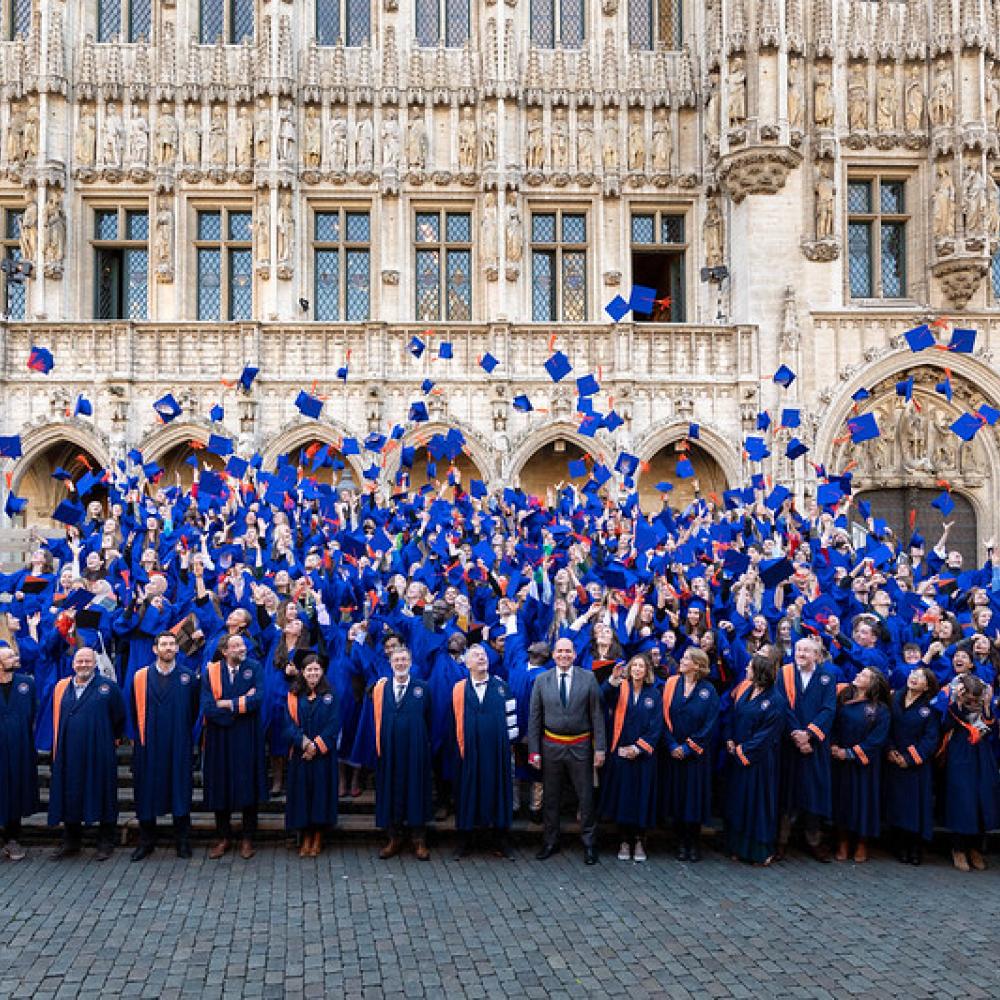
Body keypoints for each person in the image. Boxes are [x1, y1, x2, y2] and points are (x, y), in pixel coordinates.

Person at [528, 636, 607, 865]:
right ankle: (550, 841)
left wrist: (599, 748)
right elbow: (535, 718)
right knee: (551, 797)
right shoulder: (542, 680)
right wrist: (534, 751)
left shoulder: (588, 678)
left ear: (574, 654)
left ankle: (590, 844)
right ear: (553, 655)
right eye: (559, 651)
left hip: (580, 746)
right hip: (551, 745)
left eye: (568, 651)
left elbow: (597, 716)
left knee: (585, 797)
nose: (563, 655)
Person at [48, 647, 126, 860]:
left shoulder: (108, 687)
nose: (83, 664)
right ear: (73, 664)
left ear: (95, 663)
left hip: (99, 751)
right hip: (68, 752)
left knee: (102, 793)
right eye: (79, 661)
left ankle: (105, 842)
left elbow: (119, 717)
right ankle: (71, 841)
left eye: (87, 661)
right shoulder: (61, 687)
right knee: (70, 794)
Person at [129, 631, 200, 861]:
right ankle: (146, 840)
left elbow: (194, 711)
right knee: (146, 792)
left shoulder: (188, 678)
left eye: (172, 644)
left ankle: (183, 840)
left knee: (180, 790)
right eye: (164, 644)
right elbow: (133, 709)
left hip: (178, 743)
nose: (169, 647)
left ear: (177, 649)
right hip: (148, 745)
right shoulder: (140, 677)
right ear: (155, 649)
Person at [201, 634, 268, 860]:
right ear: (225, 651)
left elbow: (258, 699)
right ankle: (224, 837)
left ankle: (248, 838)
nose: (241, 649)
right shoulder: (211, 671)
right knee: (221, 786)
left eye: (242, 645)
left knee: (247, 785)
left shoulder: (255, 667)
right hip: (219, 736)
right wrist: (240, 705)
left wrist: (229, 703)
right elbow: (208, 707)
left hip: (247, 736)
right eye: (236, 646)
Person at [451, 643, 517, 859]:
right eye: (476, 656)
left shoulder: (502, 687)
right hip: (468, 751)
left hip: (496, 752)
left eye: (484, 655)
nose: (482, 658)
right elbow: (453, 721)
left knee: (497, 791)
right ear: (467, 663)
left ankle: (501, 838)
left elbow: (512, 721)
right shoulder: (459, 689)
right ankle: (465, 839)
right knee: (468, 792)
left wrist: (508, 748)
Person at [776, 637, 837, 862]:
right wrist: (796, 735)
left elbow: (828, 709)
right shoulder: (784, 674)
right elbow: (782, 706)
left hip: (815, 746)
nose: (801, 653)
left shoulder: (827, 677)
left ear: (816, 655)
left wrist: (809, 734)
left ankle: (814, 840)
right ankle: (781, 840)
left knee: (813, 792)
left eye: (806, 651)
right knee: (787, 792)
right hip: (790, 744)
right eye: (798, 649)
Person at [372, 645, 434, 859]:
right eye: (396, 660)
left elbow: (430, 719)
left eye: (404, 660)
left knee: (416, 791)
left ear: (410, 662)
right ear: (390, 663)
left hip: (415, 751)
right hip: (390, 751)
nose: (400, 663)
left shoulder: (422, 688)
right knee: (392, 791)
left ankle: (419, 840)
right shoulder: (381, 689)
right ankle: (394, 838)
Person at [724, 653, 785, 865]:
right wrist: (731, 739)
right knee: (740, 803)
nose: (746, 669)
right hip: (739, 757)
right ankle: (739, 847)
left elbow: (767, 734)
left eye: (749, 667)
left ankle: (760, 851)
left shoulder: (775, 700)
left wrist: (744, 750)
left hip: (759, 761)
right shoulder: (747, 690)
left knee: (757, 805)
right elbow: (736, 716)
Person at [660, 647, 720, 862]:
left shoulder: (709, 690)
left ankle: (693, 843)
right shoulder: (670, 684)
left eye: (686, 658)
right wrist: (672, 745)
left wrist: (688, 747)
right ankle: (679, 842)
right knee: (677, 797)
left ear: (697, 664)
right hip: (673, 751)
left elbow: (710, 723)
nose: (682, 660)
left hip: (696, 756)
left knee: (693, 799)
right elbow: (663, 717)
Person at [600, 654, 662, 863]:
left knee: (641, 799)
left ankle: (640, 841)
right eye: (633, 665)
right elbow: (600, 698)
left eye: (641, 666)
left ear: (646, 671)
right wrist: (612, 681)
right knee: (624, 799)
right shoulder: (619, 688)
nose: (637, 669)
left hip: (643, 757)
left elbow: (656, 726)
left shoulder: (653, 694)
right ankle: (624, 840)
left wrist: (639, 748)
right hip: (621, 755)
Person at [830, 667, 891, 863]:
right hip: (840, 761)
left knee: (865, 802)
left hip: (865, 764)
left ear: (873, 683)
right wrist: (834, 746)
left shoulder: (880, 709)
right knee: (843, 801)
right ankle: (843, 841)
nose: (857, 675)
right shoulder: (843, 699)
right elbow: (834, 726)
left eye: (864, 675)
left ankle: (862, 842)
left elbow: (877, 739)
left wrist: (850, 753)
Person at [941, 674, 1000, 871]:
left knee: (983, 799)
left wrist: (985, 706)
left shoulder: (984, 706)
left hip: (982, 756)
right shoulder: (952, 706)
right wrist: (957, 703)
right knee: (962, 800)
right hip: (960, 754)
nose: (973, 703)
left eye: (976, 699)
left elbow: (992, 727)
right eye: (970, 700)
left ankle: (975, 847)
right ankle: (958, 848)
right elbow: (945, 725)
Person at [284, 652, 340, 857]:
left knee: (320, 796)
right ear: (303, 672)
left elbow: (333, 725)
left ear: (322, 671)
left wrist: (315, 746)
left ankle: (318, 836)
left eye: (317, 669)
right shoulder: (293, 695)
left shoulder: (331, 695)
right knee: (302, 796)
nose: (313, 673)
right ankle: (305, 836)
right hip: (300, 755)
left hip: (322, 757)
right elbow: (287, 724)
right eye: (309, 670)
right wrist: (304, 743)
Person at [884, 666, 940, 865]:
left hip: (916, 766)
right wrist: (890, 750)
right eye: (913, 674)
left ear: (927, 686)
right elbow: (886, 727)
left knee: (916, 807)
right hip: (893, 760)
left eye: (921, 677)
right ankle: (899, 845)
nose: (914, 678)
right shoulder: (894, 699)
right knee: (897, 804)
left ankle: (915, 847)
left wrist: (909, 758)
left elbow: (931, 739)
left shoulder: (931, 707)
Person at [0, 644, 37, 861]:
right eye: (10, 657)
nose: (15, 659)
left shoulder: (27, 683)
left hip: (19, 748)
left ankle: (13, 838)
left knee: (14, 793)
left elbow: (32, 712)